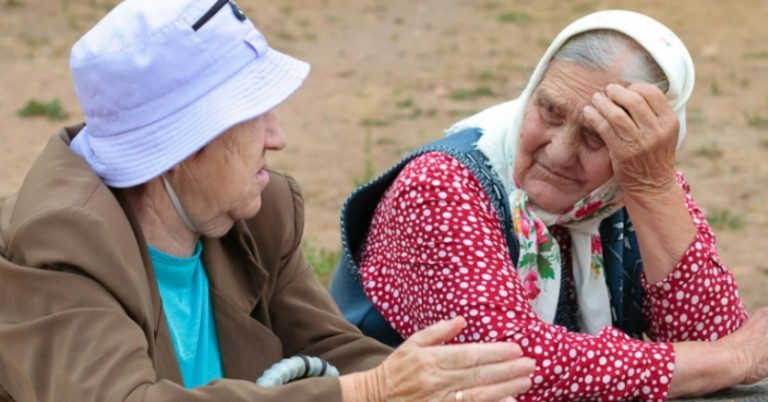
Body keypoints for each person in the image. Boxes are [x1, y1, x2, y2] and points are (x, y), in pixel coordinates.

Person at [0, 1, 537, 401]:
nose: (276, 136)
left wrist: (445, 388)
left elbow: (333, 350)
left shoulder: (255, 212)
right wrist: (367, 392)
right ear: (183, 142)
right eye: (253, 110)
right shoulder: (62, 242)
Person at [331, 9, 768, 401]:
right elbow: (509, 366)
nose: (559, 152)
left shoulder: (638, 179)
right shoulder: (440, 186)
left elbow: (719, 339)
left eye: (598, 136)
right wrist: (723, 359)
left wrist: (653, 189)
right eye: (550, 111)